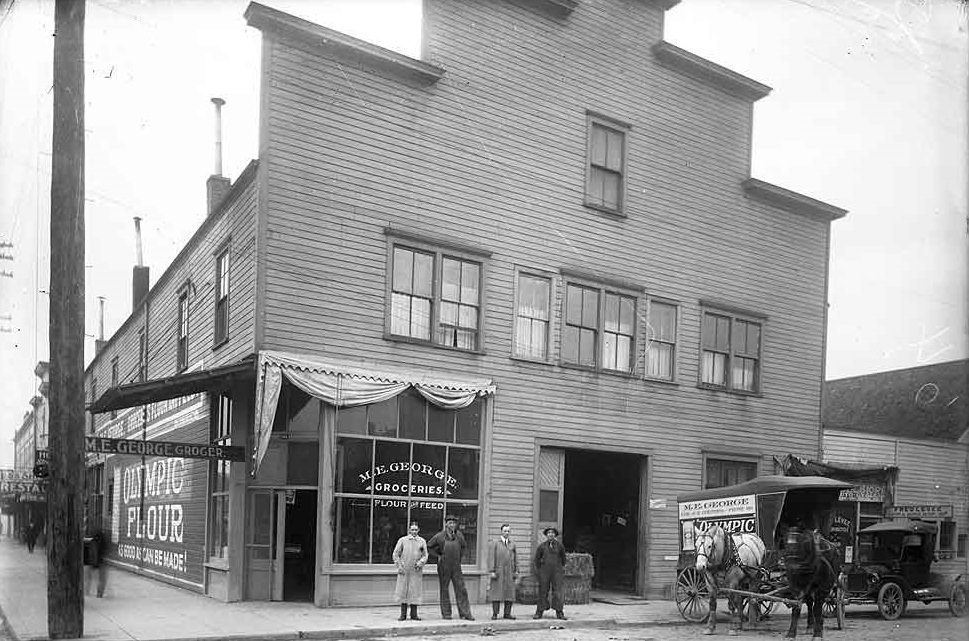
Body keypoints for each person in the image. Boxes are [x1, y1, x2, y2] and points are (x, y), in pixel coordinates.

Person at [427, 515, 474, 620]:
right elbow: (429, 547)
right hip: (444, 566)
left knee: (461, 589)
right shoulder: (439, 536)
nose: (452, 525)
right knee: (444, 589)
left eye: (453, 523)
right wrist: (438, 556)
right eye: (450, 523)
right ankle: (446, 614)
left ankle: (465, 613)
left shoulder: (459, 536)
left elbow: (463, 547)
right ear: (446, 524)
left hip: (456, 566)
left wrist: (459, 558)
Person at [392, 522, 428, 621]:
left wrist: (420, 563)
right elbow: (396, 554)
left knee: (415, 591)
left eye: (416, 530)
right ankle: (403, 615)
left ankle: (414, 614)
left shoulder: (422, 541)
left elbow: (425, 555)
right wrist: (399, 565)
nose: (414, 532)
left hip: (416, 570)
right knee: (403, 591)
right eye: (412, 530)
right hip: (405, 569)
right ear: (409, 530)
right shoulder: (403, 540)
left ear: (418, 530)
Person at [533, 526, 567, 620]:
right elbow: (536, 560)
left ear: (555, 535)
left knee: (557, 592)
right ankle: (539, 612)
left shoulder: (560, 546)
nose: (550, 534)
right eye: (549, 533)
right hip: (544, 572)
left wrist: (560, 569)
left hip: (556, 572)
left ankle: (559, 612)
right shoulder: (542, 546)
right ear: (546, 535)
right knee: (543, 591)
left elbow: (564, 559)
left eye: (552, 533)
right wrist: (540, 571)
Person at [487, 523, 518, 620]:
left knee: (509, 593)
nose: (507, 533)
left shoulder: (512, 544)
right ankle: (495, 614)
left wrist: (516, 570)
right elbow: (491, 557)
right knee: (496, 593)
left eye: (508, 531)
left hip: (509, 572)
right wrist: (492, 570)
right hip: (498, 571)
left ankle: (507, 614)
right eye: (505, 531)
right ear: (501, 531)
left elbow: (515, 558)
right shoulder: (495, 543)